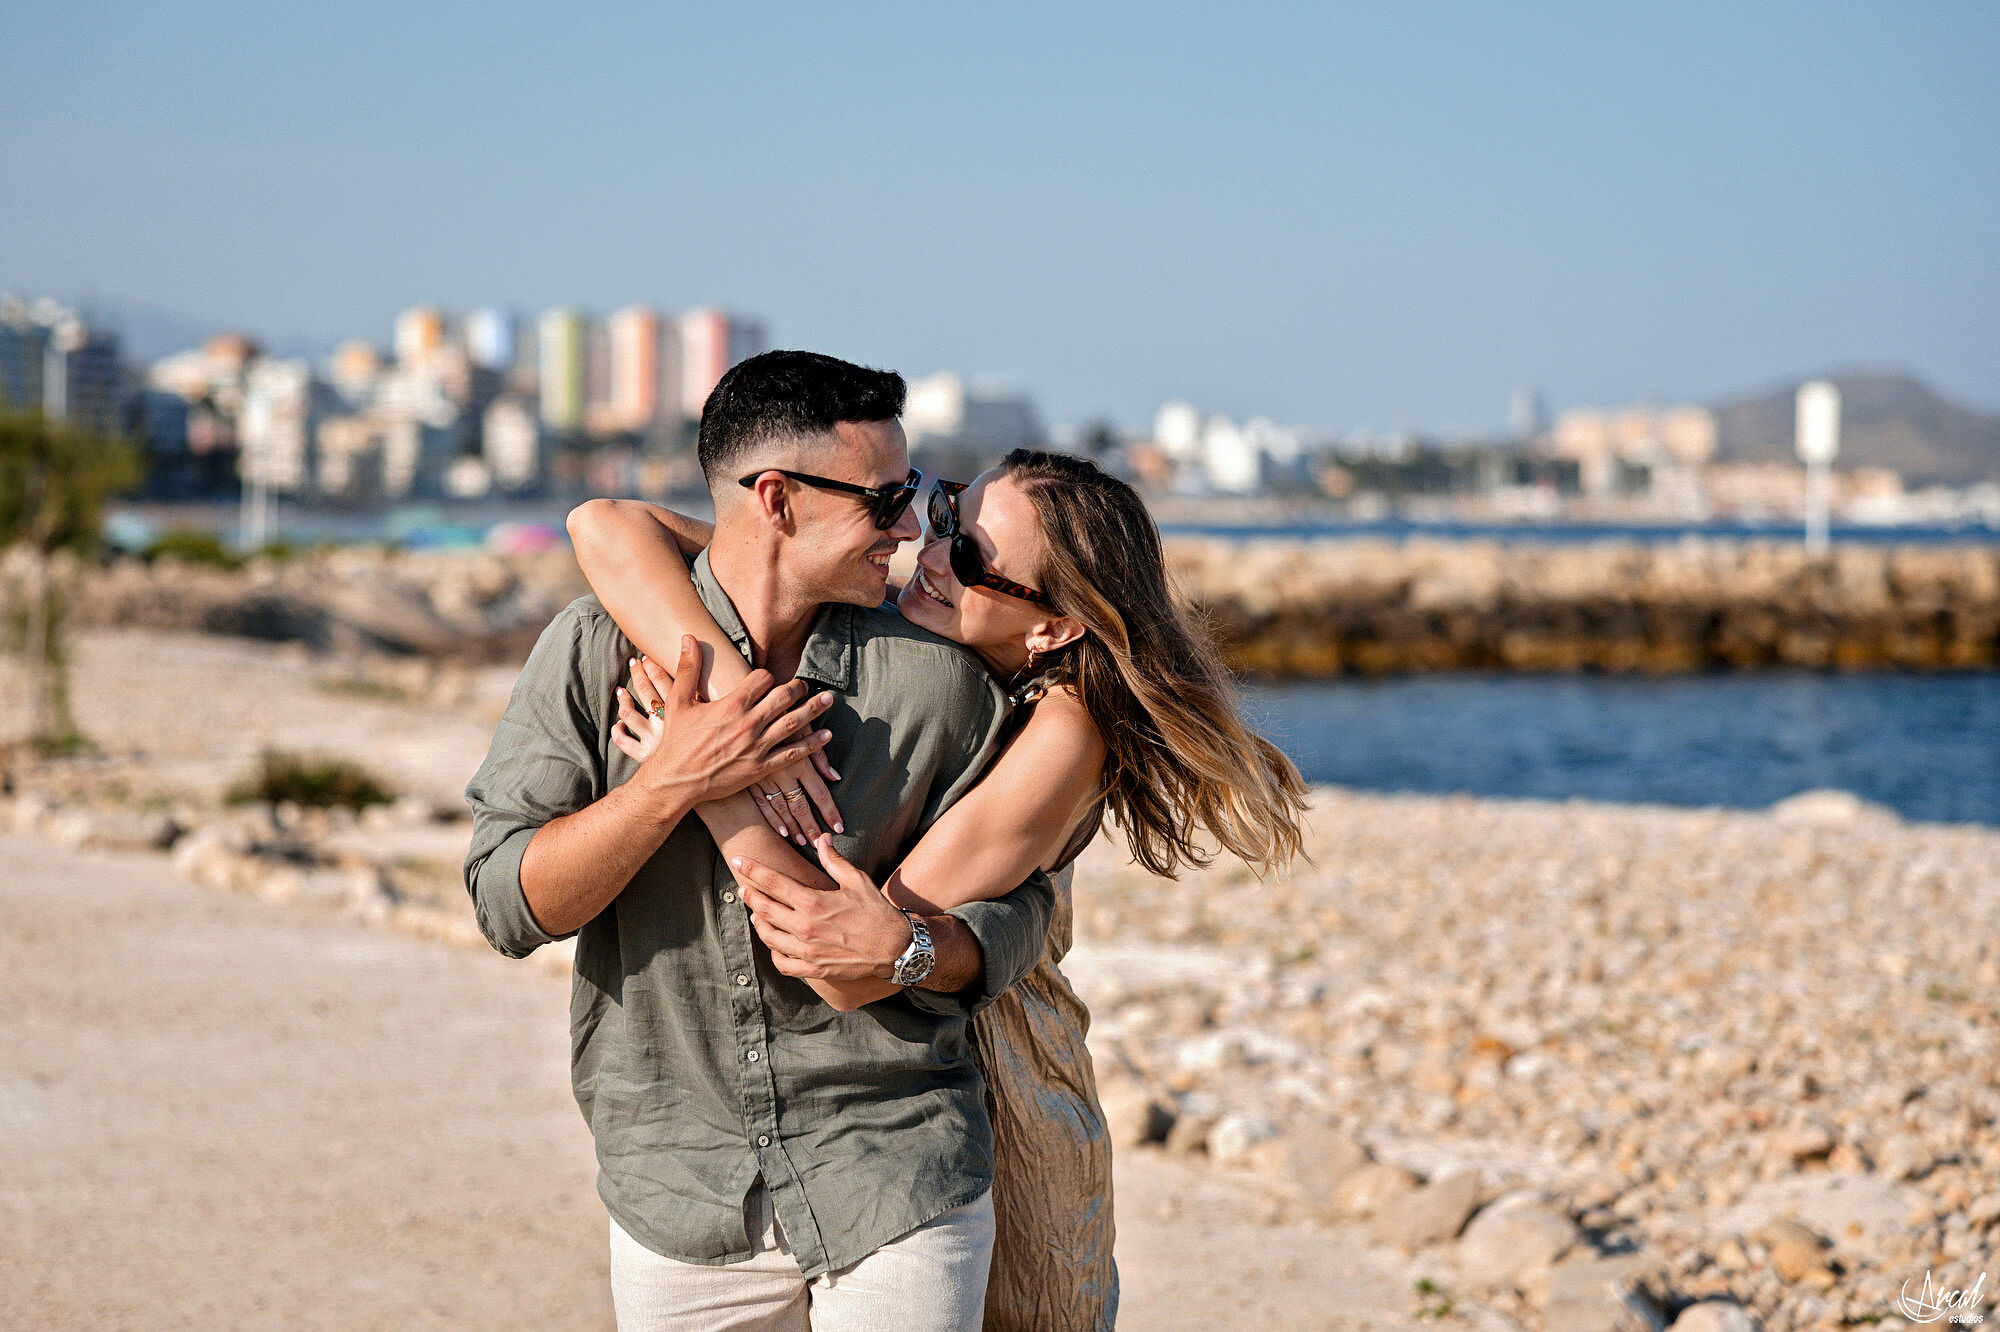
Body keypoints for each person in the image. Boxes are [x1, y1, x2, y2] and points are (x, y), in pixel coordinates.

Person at [569, 447, 1310, 1330]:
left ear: (1054, 630)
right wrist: (739, 711)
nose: (927, 547)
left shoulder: (1067, 735)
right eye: (949, 510)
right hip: (867, 1076)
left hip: (992, 1076)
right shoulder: (926, 620)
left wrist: (702, 775)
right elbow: (604, 525)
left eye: (968, 557)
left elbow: (848, 960)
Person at [464, 350, 1061, 1332]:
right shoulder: (592, 651)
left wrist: (914, 949)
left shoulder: (937, 684)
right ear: (776, 498)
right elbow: (506, 905)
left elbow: (1016, 906)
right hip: (677, 1191)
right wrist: (669, 785)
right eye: (883, 500)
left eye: (912, 491)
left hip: (897, 1173)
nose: (910, 525)